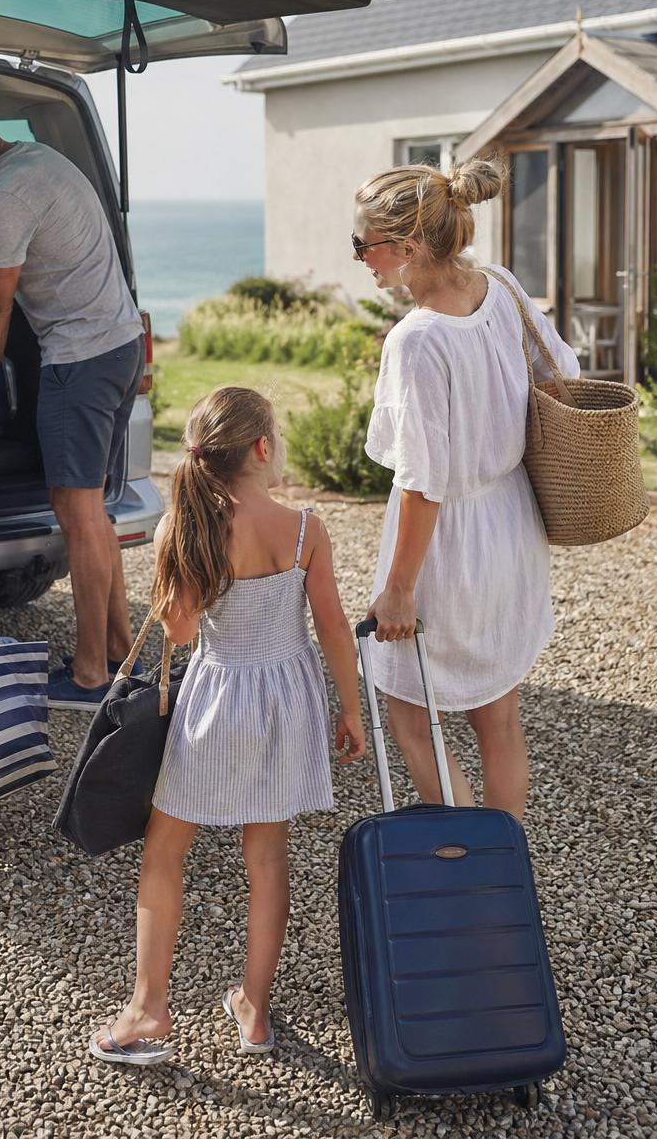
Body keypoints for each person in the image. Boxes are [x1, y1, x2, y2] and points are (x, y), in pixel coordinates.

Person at [91, 387, 365, 1066]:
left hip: (217, 702)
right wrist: (352, 707)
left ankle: (149, 1011)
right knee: (268, 861)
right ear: (263, 449)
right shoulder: (305, 530)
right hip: (288, 700)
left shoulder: (188, 528)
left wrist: (168, 575)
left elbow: (180, 632)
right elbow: (332, 627)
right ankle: (254, 1011)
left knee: (165, 853)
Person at [352, 157, 580, 821]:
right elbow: (559, 369)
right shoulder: (501, 286)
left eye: (364, 244)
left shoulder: (417, 341)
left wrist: (397, 588)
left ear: (409, 246)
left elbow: (423, 483)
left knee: (410, 713)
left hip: (448, 546)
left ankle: (467, 864)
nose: (361, 257)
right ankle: (504, 869)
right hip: (511, 523)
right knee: (498, 715)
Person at [0, 83, 145, 712]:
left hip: (79, 360)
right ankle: (120, 652)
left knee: (79, 515)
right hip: (121, 345)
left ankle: (92, 674)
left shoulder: (2, 194)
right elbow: (24, 264)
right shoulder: (39, 160)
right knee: (93, 513)